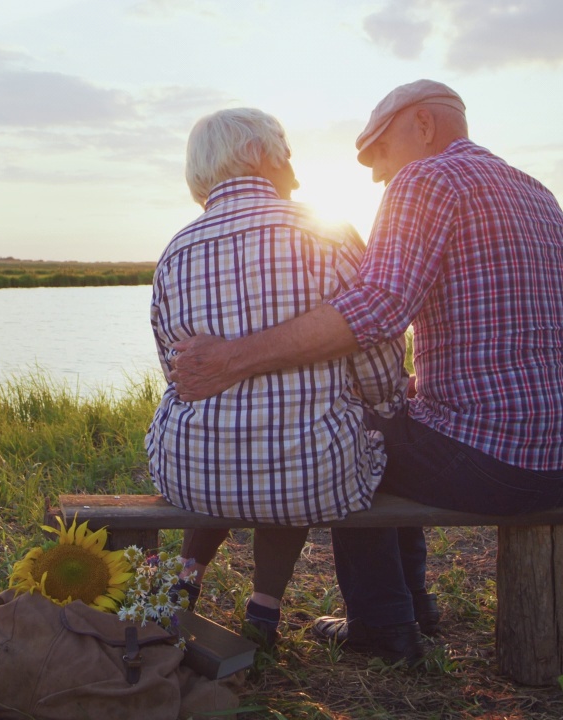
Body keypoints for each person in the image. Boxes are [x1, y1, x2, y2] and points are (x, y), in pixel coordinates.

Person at [167, 80, 563, 663]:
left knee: (357, 440)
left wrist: (234, 359)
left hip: (499, 461)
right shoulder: (534, 189)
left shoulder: (427, 177)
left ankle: (382, 626)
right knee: (397, 420)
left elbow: (378, 307)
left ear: (422, 125)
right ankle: (416, 603)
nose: (376, 172)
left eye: (378, 149)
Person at [146, 107, 407, 647]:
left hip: (188, 468)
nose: (294, 163)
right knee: (297, 436)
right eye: (285, 149)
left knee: (237, 431)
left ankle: (183, 582)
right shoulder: (326, 235)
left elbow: (176, 370)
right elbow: (375, 349)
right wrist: (384, 404)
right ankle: (264, 609)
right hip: (308, 473)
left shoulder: (176, 251)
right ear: (261, 155)